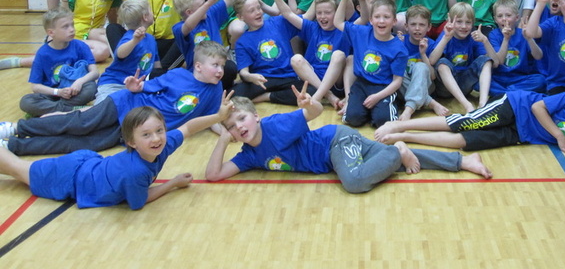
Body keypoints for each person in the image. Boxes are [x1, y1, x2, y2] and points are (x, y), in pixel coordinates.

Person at [205, 87, 492, 193]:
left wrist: (309, 105)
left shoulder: (275, 126)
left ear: (256, 116)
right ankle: (464, 161)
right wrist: (223, 138)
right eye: (232, 127)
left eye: (241, 119)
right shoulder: (249, 155)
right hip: (339, 151)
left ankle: (398, 149)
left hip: (336, 144)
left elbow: (315, 113)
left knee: (354, 182)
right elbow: (214, 175)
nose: (239, 127)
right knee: (382, 162)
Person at [0, 40, 228, 156]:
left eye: (222, 66)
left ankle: (13, 146)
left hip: (134, 129)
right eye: (215, 65)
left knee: (82, 144)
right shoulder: (178, 75)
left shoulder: (215, 90)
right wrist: (135, 86)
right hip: (123, 104)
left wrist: (227, 132)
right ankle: (15, 128)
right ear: (198, 66)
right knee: (78, 123)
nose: (220, 71)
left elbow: (212, 119)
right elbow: (144, 87)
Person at [0, 98, 233, 210]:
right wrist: (173, 183)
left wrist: (218, 117)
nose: (156, 138)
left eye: (160, 131)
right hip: (70, 177)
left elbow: (188, 128)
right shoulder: (135, 171)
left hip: (85, 163)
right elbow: (139, 202)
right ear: (131, 142)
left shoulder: (163, 143)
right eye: (146, 135)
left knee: (15, 167)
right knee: (15, 168)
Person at [374, 84, 565, 161]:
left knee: (465, 141)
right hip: (516, 107)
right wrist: (559, 136)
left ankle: (407, 137)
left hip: (520, 135)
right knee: (466, 122)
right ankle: (399, 125)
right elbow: (538, 107)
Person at [335, 0, 406, 128]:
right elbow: (337, 22)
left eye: (386, 17)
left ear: (394, 21)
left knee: (383, 121)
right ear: (371, 20)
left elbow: (397, 82)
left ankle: (383, 108)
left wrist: (377, 97)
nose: (381, 21)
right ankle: (363, 109)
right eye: (377, 17)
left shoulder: (399, 49)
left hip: (383, 87)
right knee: (353, 118)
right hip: (361, 84)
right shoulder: (361, 32)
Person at [16, 9, 98, 117]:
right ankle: (70, 109)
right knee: (26, 101)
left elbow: (95, 72)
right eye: (65, 27)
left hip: (75, 92)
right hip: (52, 94)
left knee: (91, 87)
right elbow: (35, 87)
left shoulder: (81, 46)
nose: (72, 29)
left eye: (72, 25)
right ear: (51, 32)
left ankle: (54, 110)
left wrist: (79, 82)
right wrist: (58, 92)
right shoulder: (42, 53)